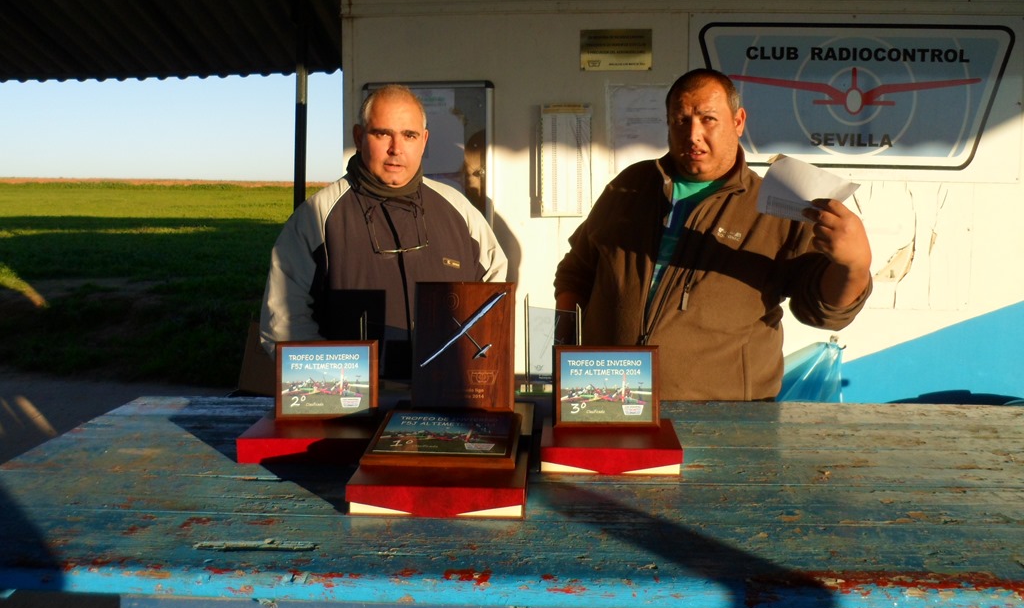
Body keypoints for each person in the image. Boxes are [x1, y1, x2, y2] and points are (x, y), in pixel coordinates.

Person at [553, 68, 872, 400]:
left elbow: (824, 312)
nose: (693, 134)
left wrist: (854, 266)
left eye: (708, 119)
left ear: (738, 121)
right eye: (681, 120)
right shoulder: (631, 186)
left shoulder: (776, 208)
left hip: (723, 416)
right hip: (609, 400)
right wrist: (564, 354)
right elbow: (577, 272)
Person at [260, 84, 508, 381]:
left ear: (424, 141)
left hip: (445, 394)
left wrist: (470, 370)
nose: (396, 148)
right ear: (358, 137)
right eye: (382, 134)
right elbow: (284, 323)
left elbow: (496, 297)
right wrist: (340, 386)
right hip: (352, 401)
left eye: (409, 135)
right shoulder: (317, 218)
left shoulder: (459, 211)